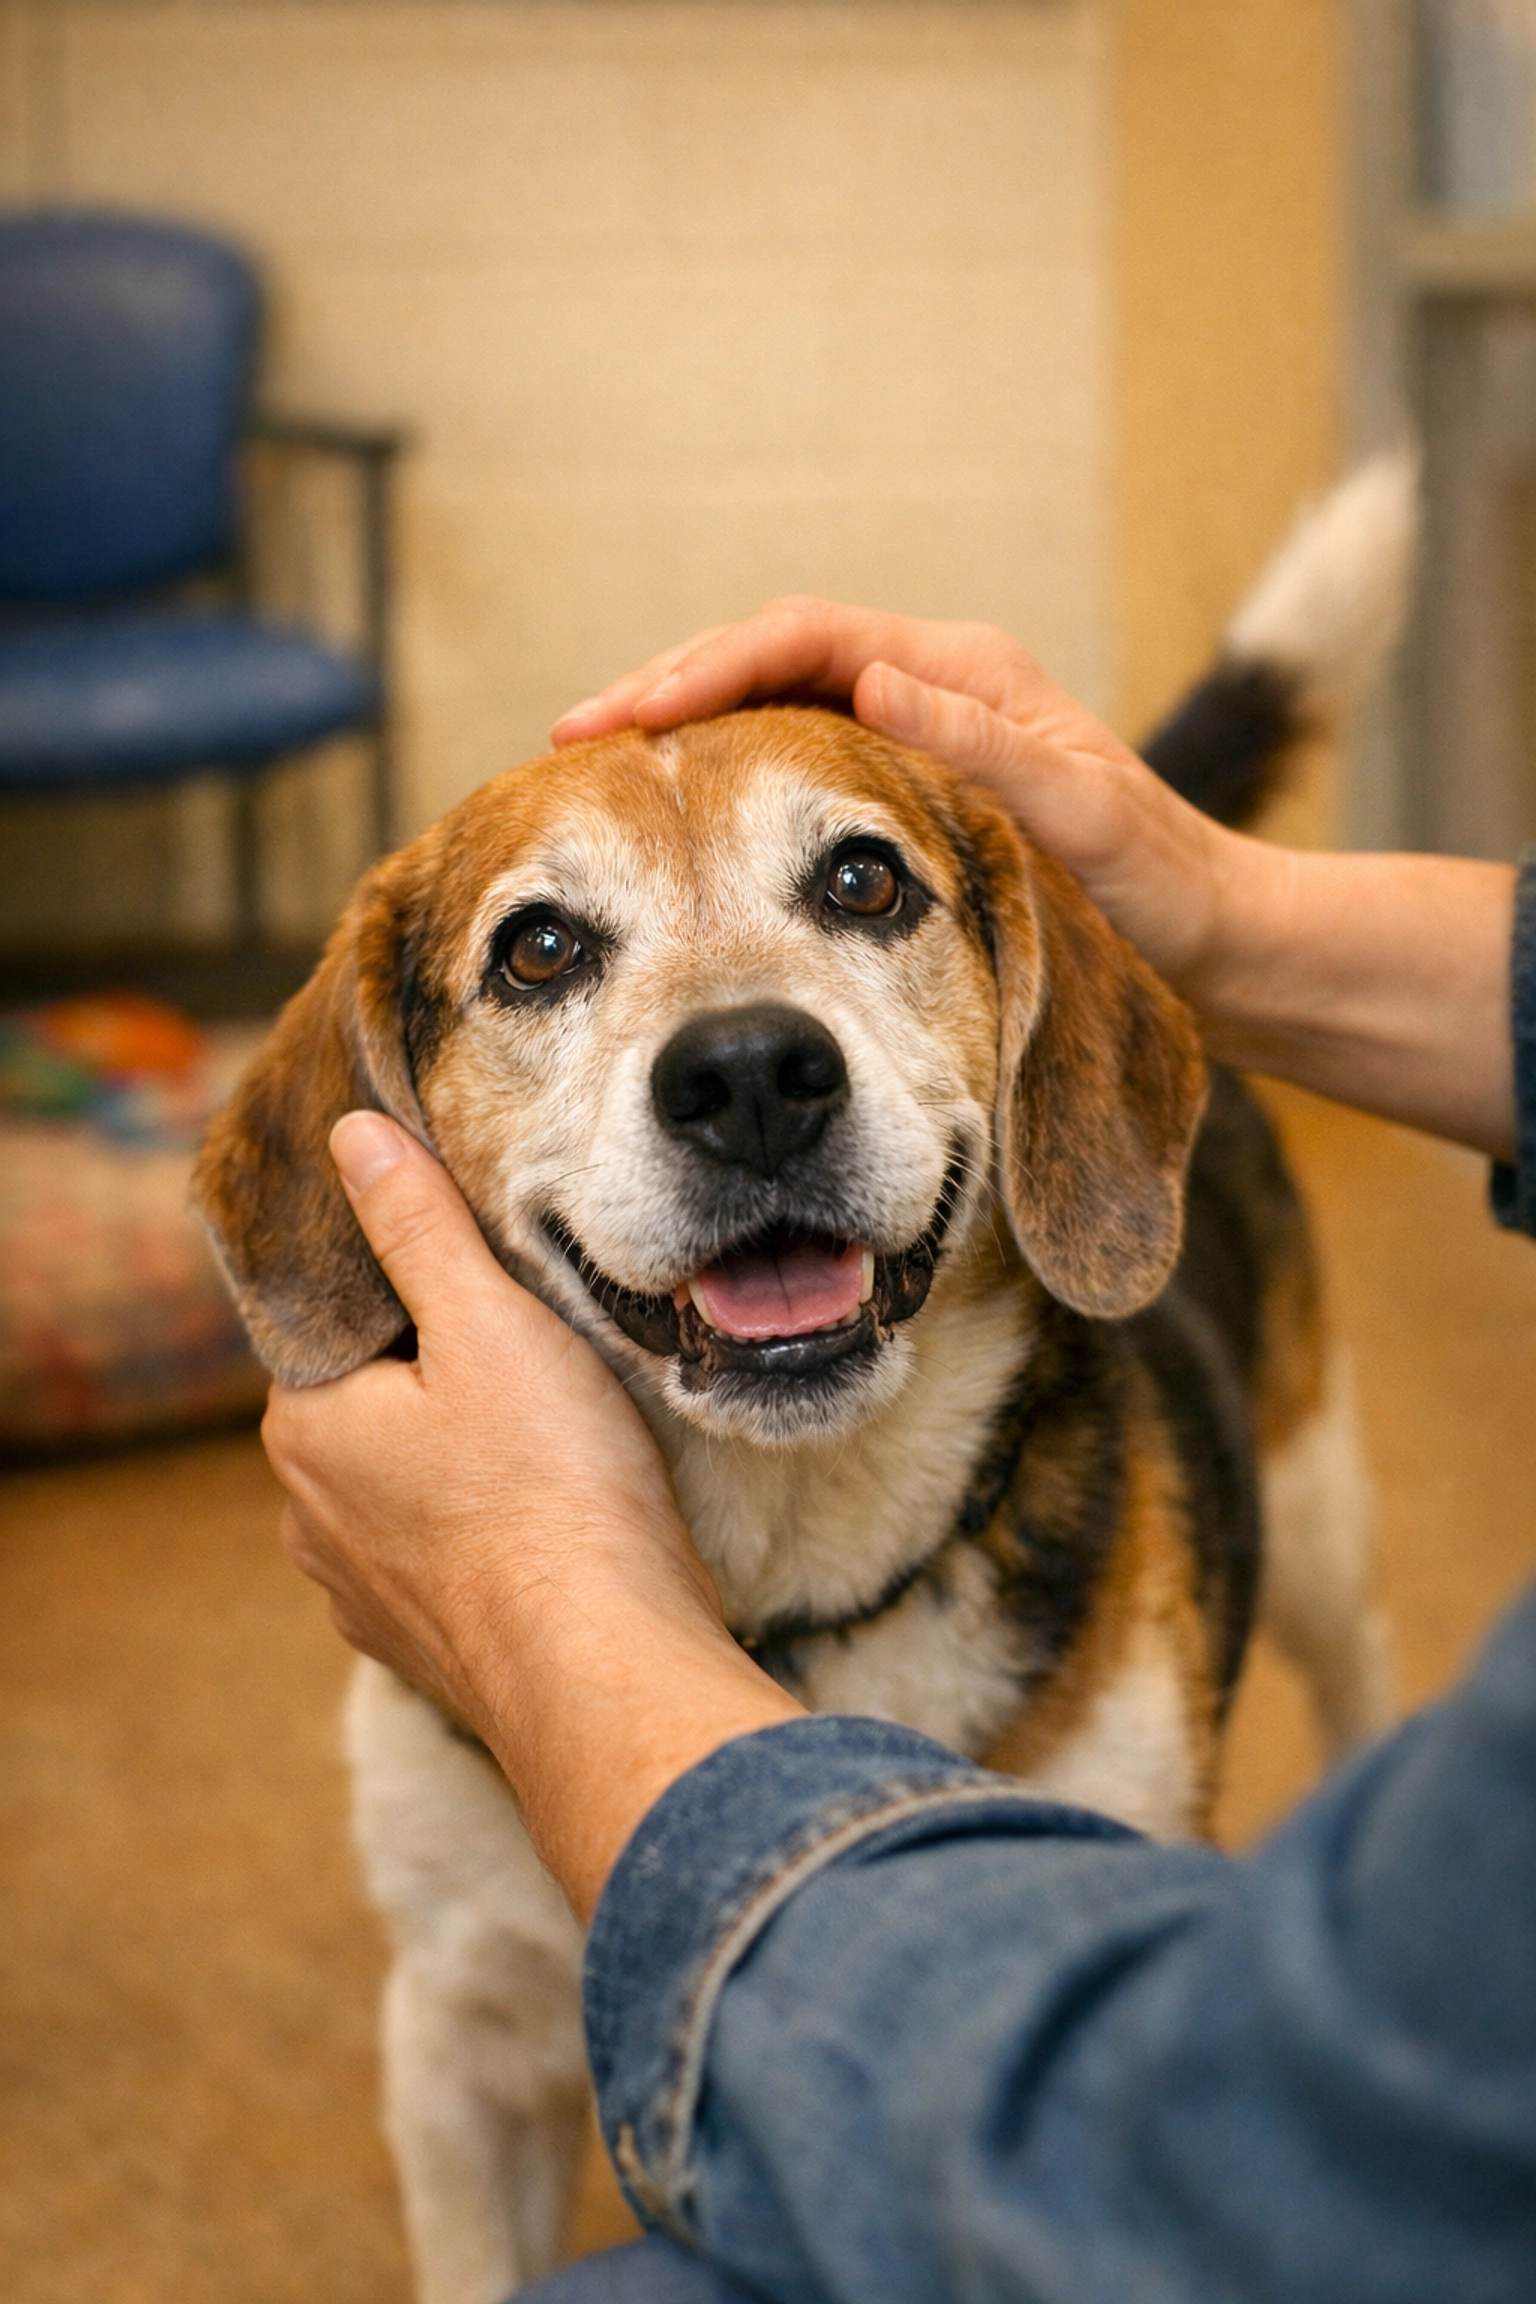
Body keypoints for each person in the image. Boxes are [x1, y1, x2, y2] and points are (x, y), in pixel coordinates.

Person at [264, 602, 1535, 2304]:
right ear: (398, 1109)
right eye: (546, 956)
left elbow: (1146, 2158)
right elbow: (476, 2054)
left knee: (1325, 1592)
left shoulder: (1111, 1697)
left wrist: (542, 1629)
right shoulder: (424, 1718)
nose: (741, 1050)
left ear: (1024, 1007)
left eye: (858, 891)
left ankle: (1375, 1715)